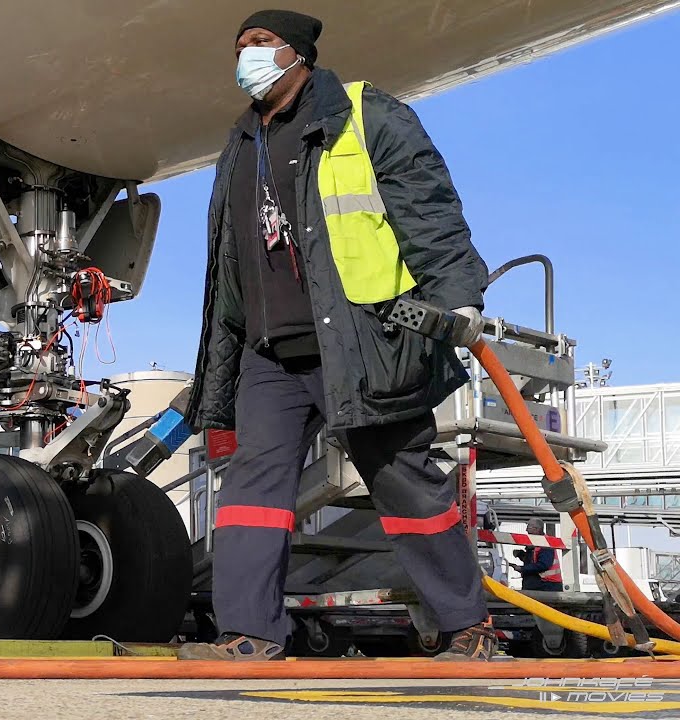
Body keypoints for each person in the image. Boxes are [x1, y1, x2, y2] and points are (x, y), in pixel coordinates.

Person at [180, 9, 494, 662]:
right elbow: (230, 266)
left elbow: (429, 213)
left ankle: (468, 626)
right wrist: (224, 362)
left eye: (261, 43)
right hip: (270, 355)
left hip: (361, 340)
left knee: (405, 484)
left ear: (297, 52)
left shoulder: (364, 115)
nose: (246, 56)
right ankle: (249, 634)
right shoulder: (240, 144)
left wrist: (458, 296)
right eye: (239, 47)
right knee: (250, 496)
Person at [511, 518, 563, 592]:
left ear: (536, 529)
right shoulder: (536, 543)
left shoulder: (545, 544)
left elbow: (543, 565)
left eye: (529, 527)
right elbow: (533, 561)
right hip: (543, 584)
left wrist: (522, 569)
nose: (526, 530)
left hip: (547, 585)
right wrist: (521, 555)